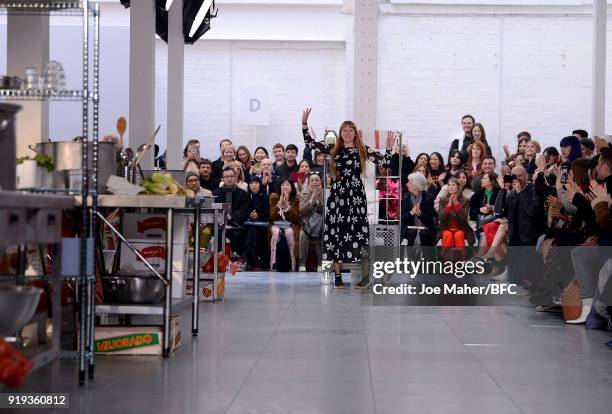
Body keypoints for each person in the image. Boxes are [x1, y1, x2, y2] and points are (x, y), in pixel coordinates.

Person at [302, 108, 393, 288]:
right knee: (337, 232)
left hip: (356, 196)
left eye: (351, 130)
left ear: (355, 133)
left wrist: (389, 149)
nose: (348, 133)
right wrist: (304, 124)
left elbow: (385, 162)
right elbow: (310, 143)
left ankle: (364, 277)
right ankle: (337, 277)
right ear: (341, 133)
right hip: (338, 194)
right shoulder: (334, 148)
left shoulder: (362, 150)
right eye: (344, 130)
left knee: (360, 234)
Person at [213, 167, 250, 261]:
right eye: (226, 177)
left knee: (237, 234)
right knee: (219, 234)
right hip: (219, 225)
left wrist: (229, 222)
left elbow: (243, 212)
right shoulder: (215, 193)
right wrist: (223, 222)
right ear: (222, 179)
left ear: (236, 178)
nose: (229, 179)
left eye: (231, 176)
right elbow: (214, 211)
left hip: (236, 225)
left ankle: (237, 260)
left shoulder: (243, 194)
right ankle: (219, 260)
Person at [400, 173, 437, 258]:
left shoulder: (429, 198)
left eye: (409, 182)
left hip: (426, 227)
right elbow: (402, 218)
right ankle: (411, 263)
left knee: (423, 234)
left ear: (416, 185)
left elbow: (430, 219)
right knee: (412, 233)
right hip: (409, 227)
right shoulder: (405, 197)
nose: (406, 184)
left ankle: (427, 263)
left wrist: (420, 214)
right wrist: (411, 213)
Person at [438, 178, 474, 259]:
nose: (450, 187)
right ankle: (447, 262)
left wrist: (456, 204)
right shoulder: (443, 200)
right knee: (447, 235)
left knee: (459, 235)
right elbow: (441, 218)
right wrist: (449, 205)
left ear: (458, 187)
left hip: (461, 228)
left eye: (453, 185)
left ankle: (460, 262)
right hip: (446, 228)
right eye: (449, 185)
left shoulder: (465, 200)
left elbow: (464, 218)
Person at [269, 178, 300, 272]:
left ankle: (292, 263)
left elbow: (296, 218)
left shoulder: (296, 199)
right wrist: (279, 204)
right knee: (276, 232)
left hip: (291, 225)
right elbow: (271, 217)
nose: (285, 187)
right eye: (282, 185)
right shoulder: (274, 197)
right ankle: (273, 263)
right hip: (276, 224)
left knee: (289, 233)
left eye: (287, 185)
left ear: (292, 187)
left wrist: (287, 205)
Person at [242, 176, 270, 271]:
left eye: (256, 183)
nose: (254, 185)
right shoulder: (246, 196)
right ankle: (254, 261)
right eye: (251, 183)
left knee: (253, 232)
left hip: (261, 225)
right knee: (251, 232)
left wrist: (258, 214)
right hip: (248, 224)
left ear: (260, 184)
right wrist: (250, 214)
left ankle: (247, 259)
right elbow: (243, 210)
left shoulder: (264, 196)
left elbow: (266, 212)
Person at [298, 172, 324, 271]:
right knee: (303, 235)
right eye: (312, 180)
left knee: (320, 235)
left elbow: (324, 211)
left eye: (317, 180)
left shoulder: (325, 193)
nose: (314, 182)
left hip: (320, 225)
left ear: (320, 182)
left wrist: (318, 202)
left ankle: (321, 264)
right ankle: (302, 264)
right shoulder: (303, 194)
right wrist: (311, 201)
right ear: (308, 183)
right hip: (306, 225)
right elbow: (301, 211)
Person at [469, 172, 500, 246]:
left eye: (484, 178)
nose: (482, 180)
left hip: (496, 224)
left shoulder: (500, 193)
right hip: (481, 224)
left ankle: (482, 256)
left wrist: (493, 208)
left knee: (486, 234)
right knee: (483, 234)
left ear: (492, 181)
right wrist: (479, 210)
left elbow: (504, 210)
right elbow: (471, 213)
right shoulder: (477, 194)